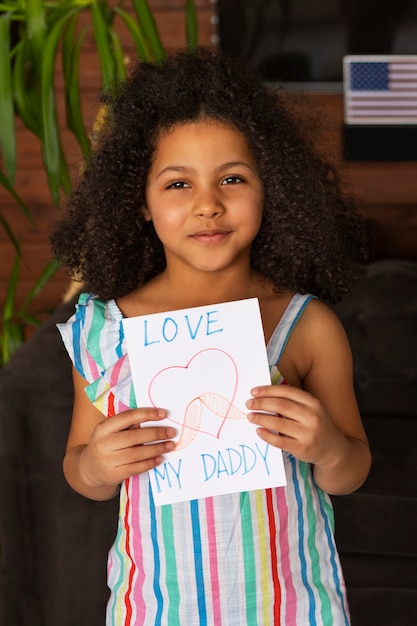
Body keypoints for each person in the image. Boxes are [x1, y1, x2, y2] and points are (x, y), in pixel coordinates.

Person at [51, 47, 371, 625]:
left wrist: (326, 447)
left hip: (292, 605)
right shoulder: (106, 329)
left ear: (271, 190)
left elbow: (351, 469)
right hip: (157, 607)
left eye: (232, 177)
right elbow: (80, 470)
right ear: (141, 204)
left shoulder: (308, 326)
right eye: (177, 184)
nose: (208, 204)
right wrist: (96, 465)